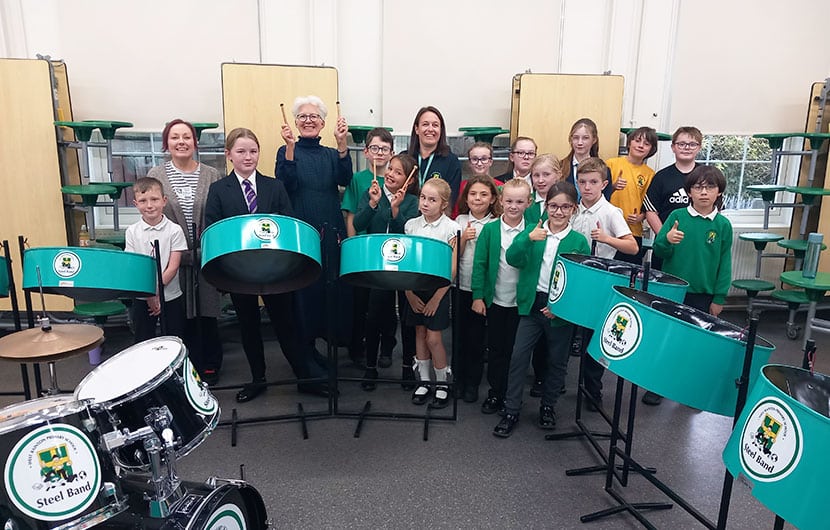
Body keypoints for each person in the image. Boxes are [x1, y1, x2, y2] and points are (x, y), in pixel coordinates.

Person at [205, 128, 328, 403]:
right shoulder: (218, 190)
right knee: (248, 326)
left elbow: (288, 222)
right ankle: (257, 379)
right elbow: (212, 228)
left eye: (253, 151)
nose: (248, 157)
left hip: (275, 269)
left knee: (287, 325)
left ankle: (304, 378)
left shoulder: (275, 186)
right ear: (228, 155)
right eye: (241, 151)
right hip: (238, 272)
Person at [493, 181, 590, 438]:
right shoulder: (534, 231)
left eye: (565, 207)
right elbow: (513, 258)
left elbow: (581, 283)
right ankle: (511, 409)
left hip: (559, 310)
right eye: (554, 206)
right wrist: (527, 238)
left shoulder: (579, 241)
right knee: (518, 358)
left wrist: (560, 307)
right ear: (545, 207)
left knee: (557, 361)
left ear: (574, 209)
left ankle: (548, 406)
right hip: (531, 305)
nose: (558, 212)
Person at [276, 95, 353, 367]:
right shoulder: (286, 151)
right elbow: (286, 183)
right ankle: (306, 352)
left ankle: (332, 343)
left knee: (331, 287)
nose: (308, 121)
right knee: (304, 289)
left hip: (331, 229)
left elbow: (345, 179)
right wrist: (289, 147)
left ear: (323, 123)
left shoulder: (332, 154)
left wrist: (343, 144)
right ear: (295, 122)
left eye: (314, 117)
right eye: (303, 117)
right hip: (302, 230)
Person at [147, 119, 224, 384]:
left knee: (207, 310)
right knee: (179, 314)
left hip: (205, 255)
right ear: (166, 143)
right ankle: (183, 368)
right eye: (175, 137)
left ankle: (211, 364)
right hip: (173, 258)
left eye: (187, 137)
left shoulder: (213, 175)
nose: (181, 142)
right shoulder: (155, 175)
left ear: (195, 142)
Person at [570, 158, 638, 410]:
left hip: (599, 281)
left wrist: (607, 238)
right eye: (582, 182)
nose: (587, 187)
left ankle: (593, 390)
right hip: (576, 278)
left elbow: (632, 246)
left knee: (593, 336)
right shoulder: (574, 210)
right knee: (568, 333)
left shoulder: (610, 212)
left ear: (604, 184)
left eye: (593, 182)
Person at [353, 154, 420, 391]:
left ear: (409, 180)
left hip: (404, 267)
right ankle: (370, 366)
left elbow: (408, 231)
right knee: (374, 316)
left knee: (407, 317)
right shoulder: (372, 193)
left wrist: (395, 210)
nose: (390, 174)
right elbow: (359, 224)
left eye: (398, 172)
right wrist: (373, 204)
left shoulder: (413, 202)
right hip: (378, 267)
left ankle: (406, 366)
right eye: (390, 169)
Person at [472, 178, 532, 414]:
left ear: (528, 203)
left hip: (522, 303)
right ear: (501, 201)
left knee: (516, 353)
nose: (514, 206)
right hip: (496, 300)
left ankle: (512, 395)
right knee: (496, 350)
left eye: (519, 201)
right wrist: (478, 296)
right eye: (509, 201)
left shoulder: (534, 229)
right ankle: (495, 393)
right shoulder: (490, 229)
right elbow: (480, 263)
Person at [341, 127, 395, 368]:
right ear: (365, 151)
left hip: (388, 251)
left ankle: (387, 347)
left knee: (385, 303)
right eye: (374, 148)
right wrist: (353, 246)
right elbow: (351, 214)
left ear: (392, 153)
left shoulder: (396, 180)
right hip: (363, 249)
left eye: (384, 149)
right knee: (361, 302)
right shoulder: (359, 179)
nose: (379, 153)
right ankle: (358, 346)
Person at [404, 177, 460, 409]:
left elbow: (452, 268)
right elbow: (405, 263)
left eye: (432, 200)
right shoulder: (411, 225)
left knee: (434, 338)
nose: (425, 203)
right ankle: (424, 382)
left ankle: (442, 383)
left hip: (439, 289)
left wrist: (437, 298)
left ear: (444, 203)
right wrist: (408, 293)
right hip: (414, 289)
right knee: (419, 333)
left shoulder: (451, 228)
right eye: (423, 198)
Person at [654, 165, 732, 317]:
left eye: (710, 187)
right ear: (689, 192)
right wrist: (667, 240)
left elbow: (725, 264)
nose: (703, 192)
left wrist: (719, 298)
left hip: (703, 295)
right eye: (697, 187)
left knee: (696, 336)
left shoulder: (723, 225)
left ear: (719, 191)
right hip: (672, 289)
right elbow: (659, 250)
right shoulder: (677, 216)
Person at [454, 175, 500, 403]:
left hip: (481, 290)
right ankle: (457, 379)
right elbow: (452, 257)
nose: (478, 198)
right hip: (460, 286)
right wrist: (463, 240)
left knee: (477, 338)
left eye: (483, 194)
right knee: (458, 336)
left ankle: (472, 382)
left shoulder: (496, 224)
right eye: (473, 194)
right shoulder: (459, 221)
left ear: (492, 199)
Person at [125, 177, 187, 343]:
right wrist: (149, 296)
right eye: (143, 201)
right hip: (142, 297)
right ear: (135, 203)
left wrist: (156, 292)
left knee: (174, 339)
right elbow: (135, 267)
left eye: (154, 199)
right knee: (143, 340)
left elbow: (173, 267)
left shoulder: (175, 230)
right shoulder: (132, 231)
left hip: (170, 296)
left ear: (164, 201)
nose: (149, 205)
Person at [643, 126, 702, 270]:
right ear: (673, 147)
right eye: (681, 144)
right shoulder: (661, 177)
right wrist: (665, 236)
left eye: (692, 144)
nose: (686, 148)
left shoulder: (707, 176)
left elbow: (715, 211)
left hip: (696, 245)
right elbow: (651, 212)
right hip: (666, 246)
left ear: (699, 148)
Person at [606, 126, 658, 264]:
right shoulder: (611, 164)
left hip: (633, 231)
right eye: (637, 141)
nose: (641, 146)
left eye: (646, 144)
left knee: (628, 276)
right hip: (608, 229)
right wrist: (613, 186)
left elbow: (649, 203)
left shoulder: (650, 174)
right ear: (629, 143)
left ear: (651, 150)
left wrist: (641, 217)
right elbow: (598, 192)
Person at [406, 106, 462, 208]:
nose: (430, 129)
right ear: (417, 129)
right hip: (405, 219)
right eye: (425, 124)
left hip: (437, 221)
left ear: (441, 130)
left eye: (435, 125)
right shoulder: (405, 158)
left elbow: (450, 200)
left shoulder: (451, 161)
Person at [560, 118, 612, 201]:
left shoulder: (604, 170)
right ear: (571, 139)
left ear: (594, 140)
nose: (580, 143)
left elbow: (605, 200)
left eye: (585, 138)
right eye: (576, 138)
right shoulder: (560, 167)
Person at [451, 142, 502, 218]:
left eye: (484, 159)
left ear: (491, 162)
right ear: (469, 162)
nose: (479, 163)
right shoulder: (461, 186)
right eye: (475, 159)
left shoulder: (500, 186)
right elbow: (455, 212)